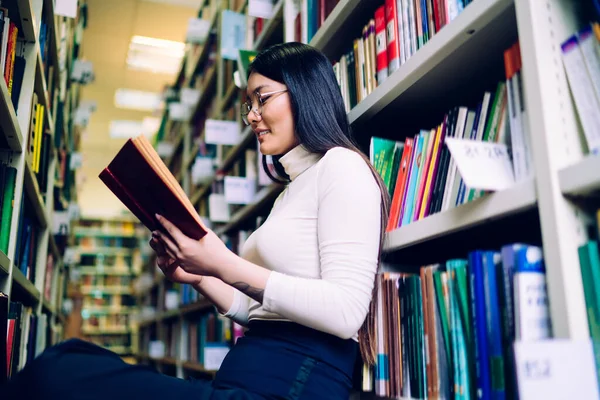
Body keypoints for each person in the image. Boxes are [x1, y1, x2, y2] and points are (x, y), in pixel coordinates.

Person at [1, 42, 390, 400]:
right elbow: (256, 309)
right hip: (251, 372)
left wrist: (221, 262)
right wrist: (198, 275)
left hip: (290, 381)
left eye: (262, 99)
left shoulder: (342, 166)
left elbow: (345, 312)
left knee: (59, 375)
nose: (252, 116)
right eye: (247, 105)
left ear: (306, 92)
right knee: (71, 353)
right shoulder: (291, 190)